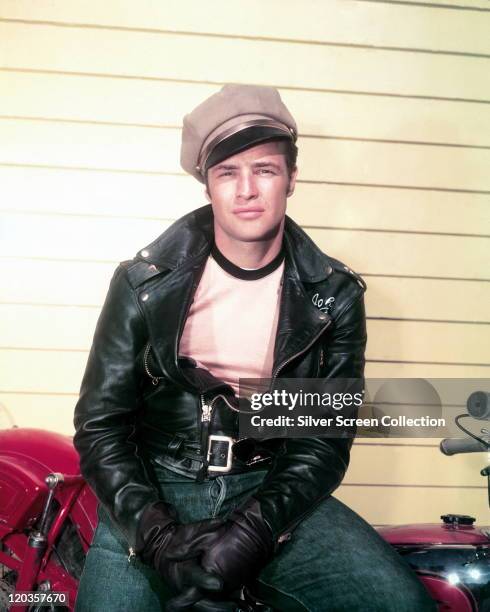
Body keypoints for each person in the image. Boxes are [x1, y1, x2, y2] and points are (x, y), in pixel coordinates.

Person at [73, 84, 435, 611]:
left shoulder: (334, 296)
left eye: (264, 169)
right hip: (154, 484)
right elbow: (101, 424)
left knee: (402, 605)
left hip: (268, 487)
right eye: (227, 172)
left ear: (291, 178)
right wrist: (156, 537)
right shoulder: (143, 281)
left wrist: (254, 531)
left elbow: (321, 442)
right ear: (207, 187)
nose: (246, 189)